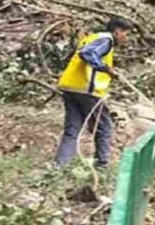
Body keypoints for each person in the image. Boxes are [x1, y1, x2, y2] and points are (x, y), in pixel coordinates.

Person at [54, 17, 133, 168]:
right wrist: (105, 68)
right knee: (104, 126)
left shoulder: (93, 37)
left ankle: (59, 166)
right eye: (126, 34)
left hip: (70, 87)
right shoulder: (106, 40)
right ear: (117, 31)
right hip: (87, 90)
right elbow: (87, 53)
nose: (126, 38)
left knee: (72, 130)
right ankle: (102, 165)